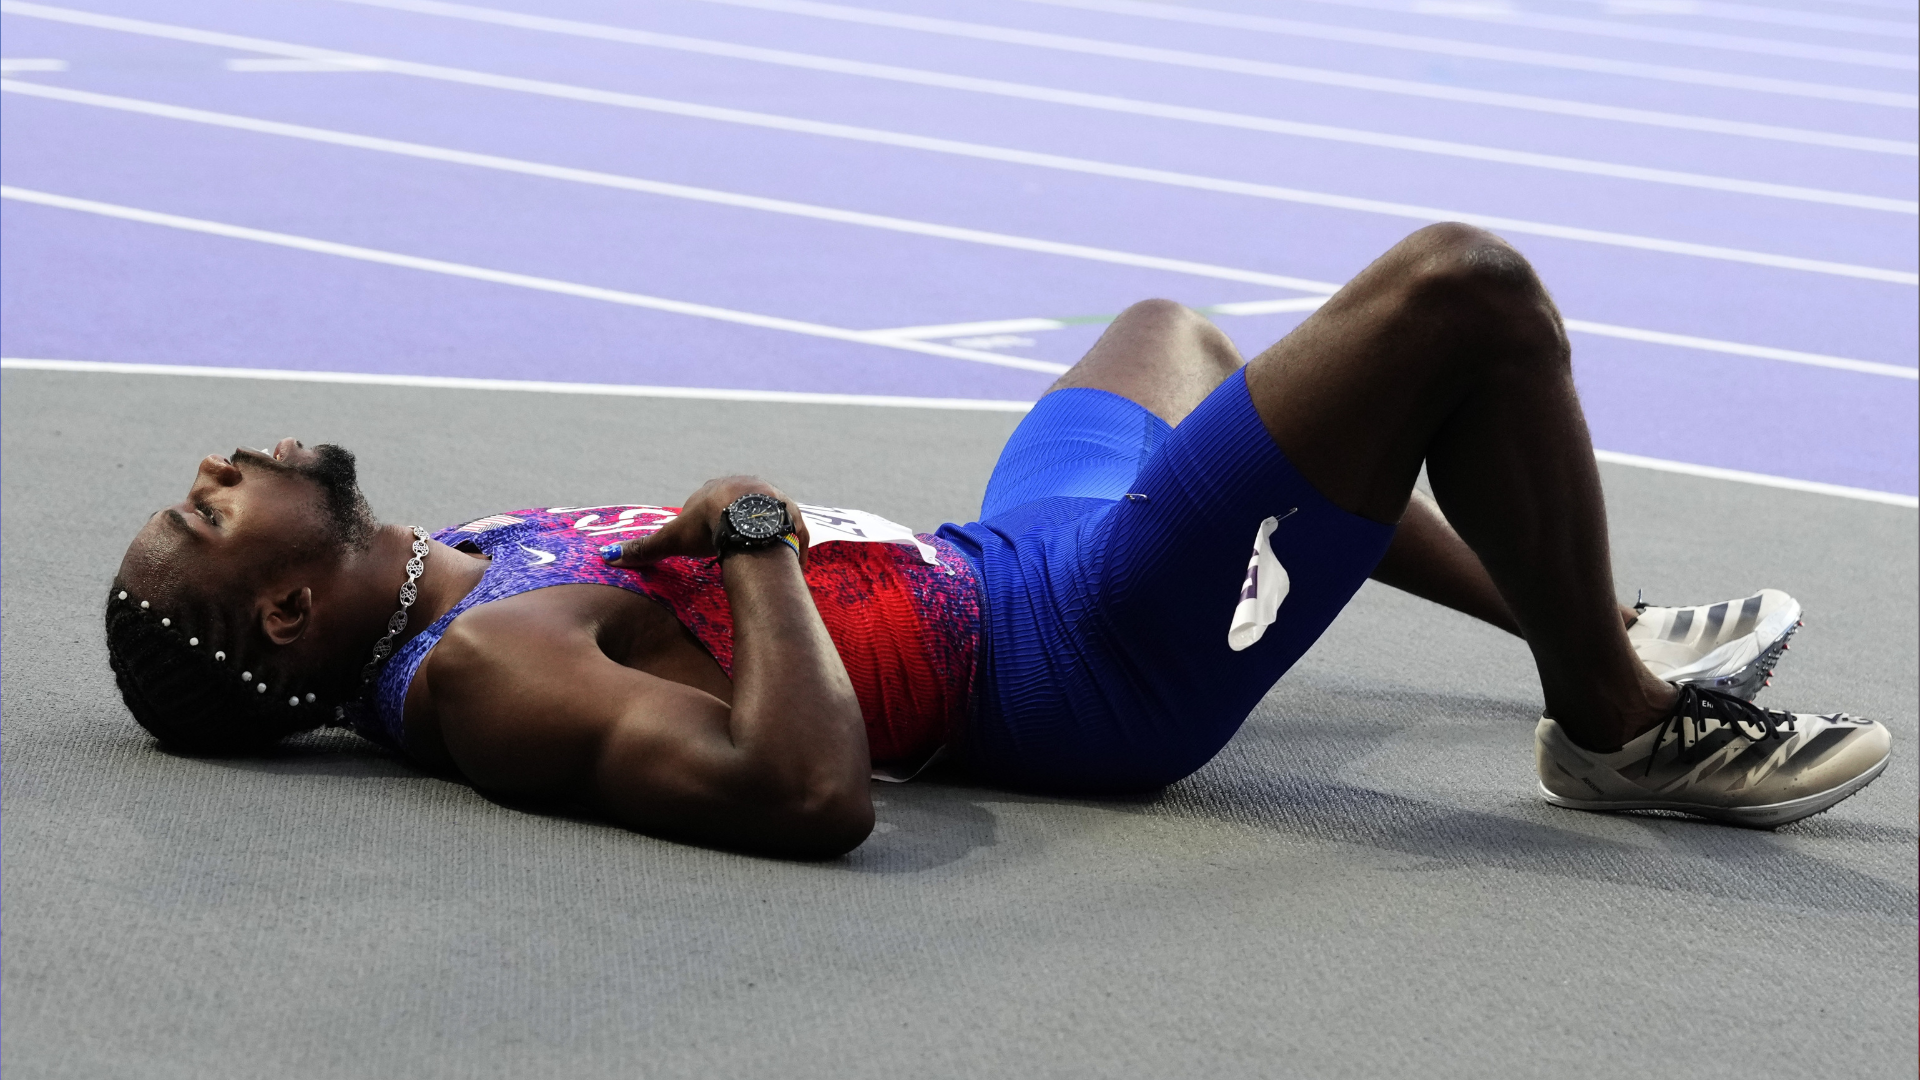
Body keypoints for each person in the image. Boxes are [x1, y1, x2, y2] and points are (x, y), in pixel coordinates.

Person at [102, 224, 1890, 858]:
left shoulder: (457, 563)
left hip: (1003, 555)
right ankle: (1621, 719)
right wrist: (748, 542)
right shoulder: (483, 672)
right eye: (207, 506)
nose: (217, 462)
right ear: (278, 605)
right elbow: (807, 796)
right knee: (1460, 296)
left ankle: (1591, 610)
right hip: (1081, 660)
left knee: (1167, 332)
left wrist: (755, 547)